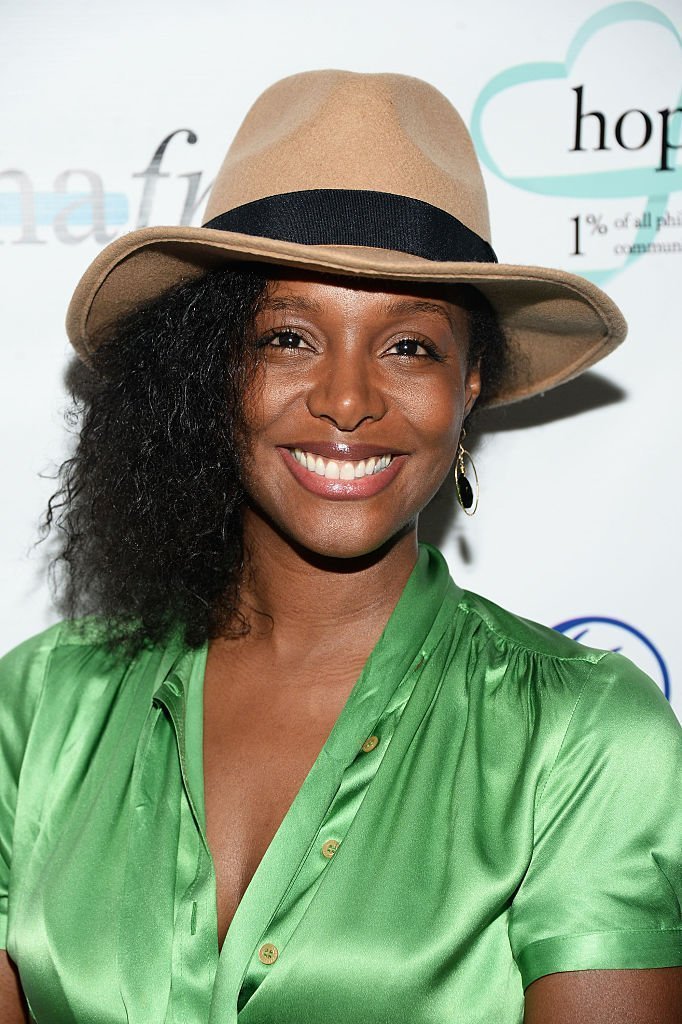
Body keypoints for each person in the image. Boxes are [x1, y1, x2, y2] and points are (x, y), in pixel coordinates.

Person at [0, 70, 680, 1024]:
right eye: (286, 337)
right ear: (211, 366)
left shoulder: (587, 738)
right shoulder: (38, 712)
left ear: (472, 382)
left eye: (409, 347)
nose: (349, 400)